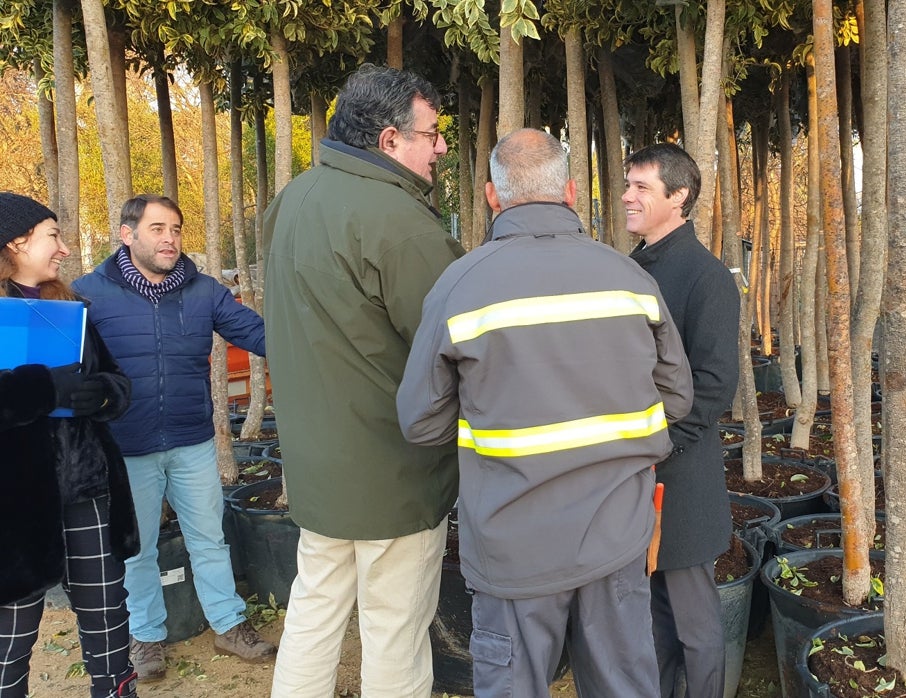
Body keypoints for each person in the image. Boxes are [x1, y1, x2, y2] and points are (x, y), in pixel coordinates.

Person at [397, 128, 694, 698]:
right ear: (572, 192)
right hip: (616, 537)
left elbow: (420, 421)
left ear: (491, 196)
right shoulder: (631, 279)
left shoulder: (461, 285)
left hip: (513, 546)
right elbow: (676, 397)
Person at [261, 64, 463, 697]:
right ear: (388, 140)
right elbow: (452, 344)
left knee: (314, 612)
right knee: (395, 628)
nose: (441, 146)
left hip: (317, 464)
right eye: (431, 133)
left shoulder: (292, 198)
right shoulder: (399, 222)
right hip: (392, 469)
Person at [72, 194, 273, 681]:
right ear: (127, 234)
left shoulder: (204, 291)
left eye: (177, 229)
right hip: (126, 447)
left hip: (192, 441)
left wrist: (316, 340)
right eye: (158, 228)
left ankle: (228, 623)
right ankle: (145, 636)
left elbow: (257, 333)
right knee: (137, 547)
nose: (170, 238)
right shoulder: (88, 293)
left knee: (209, 538)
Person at [0, 193, 140, 698]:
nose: (63, 249)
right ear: (16, 243)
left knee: (106, 616)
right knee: (11, 632)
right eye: (52, 235)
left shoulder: (69, 309)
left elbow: (117, 384)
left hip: (86, 490)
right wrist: (42, 390)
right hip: (15, 505)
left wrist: (100, 394)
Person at [625, 143, 741, 698]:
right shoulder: (626, 271)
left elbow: (715, 383)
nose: (627, 196)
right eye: (628, 184)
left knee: (694, 623)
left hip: (682, 475)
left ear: (680, 196)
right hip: (633, 468)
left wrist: (660, 447)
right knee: (652, 622)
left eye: (642, 187)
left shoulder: (706, 277)